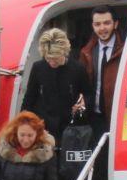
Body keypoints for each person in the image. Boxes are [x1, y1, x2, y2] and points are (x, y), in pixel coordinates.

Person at [19, 27, 90, 161]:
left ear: (64, 52)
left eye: (55, 58)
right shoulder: (38, 68)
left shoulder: (77, 69)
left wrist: (83, 105)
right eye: (48, 58)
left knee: (65, 167)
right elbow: (29, 97)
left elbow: (88, 94)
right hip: (43, 126)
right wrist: (23, 122)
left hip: (69, 126)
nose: (52, 62)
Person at [77, 8, 124, 180]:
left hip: (116, 116)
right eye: (97, 24)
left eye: (106, 23)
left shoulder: (125, 49)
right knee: (97, 161)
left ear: (115, 24)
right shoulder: (87, 52)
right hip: (95, 116)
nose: (102, 28)